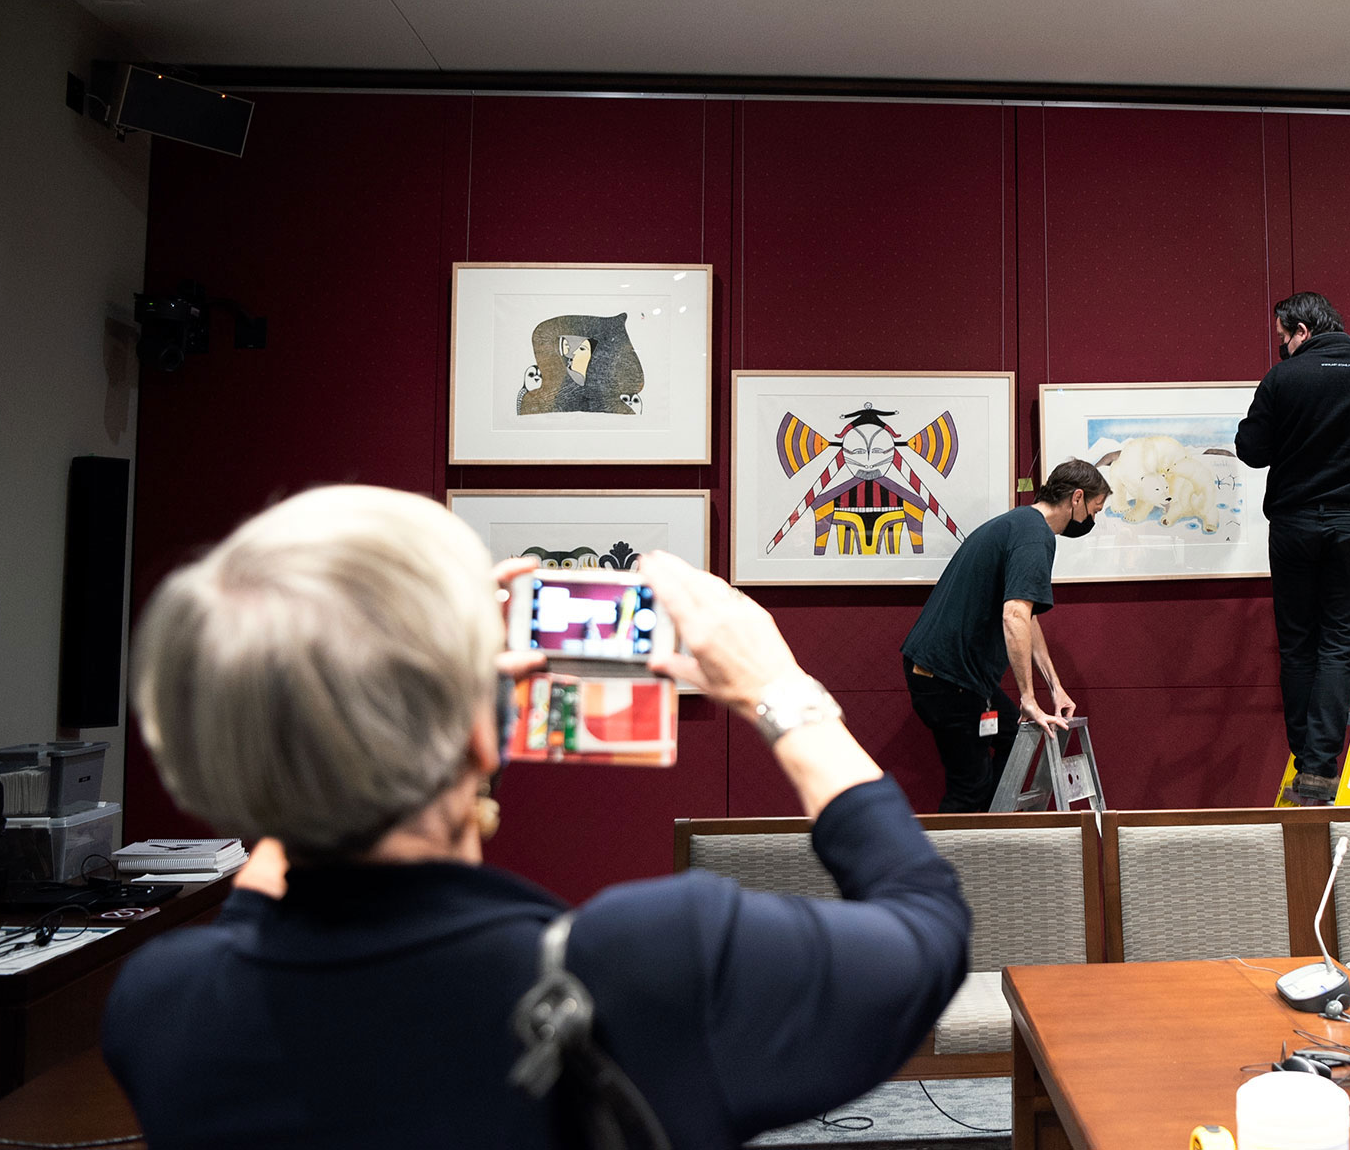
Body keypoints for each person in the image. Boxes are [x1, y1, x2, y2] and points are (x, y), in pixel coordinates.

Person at [102, 485, 969, 1150]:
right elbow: (927, 928)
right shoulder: (653, 961)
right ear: (485, 732)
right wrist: (782, 692)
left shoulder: (160, 1005)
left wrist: (430, 714)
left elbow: (297, 843)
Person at [1235, 293, 1350, 806]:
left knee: (1298, 643)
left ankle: (1307, 761)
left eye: (1283, 336)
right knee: (1340, 645)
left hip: (1295, 525)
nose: (1281, 346)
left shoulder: (1283, 379)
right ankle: (1323, 768)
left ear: (1302, 330)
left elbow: (1250, 450)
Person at [899, 459, 1110, 812]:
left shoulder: (1022, 524)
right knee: (969, 789)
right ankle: (954, 861)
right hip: (945, 678)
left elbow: (1026, 615)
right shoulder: (1034, 534)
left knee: (1013, 740)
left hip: (963, 677)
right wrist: (1028, 696)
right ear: (1077, 498)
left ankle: (991, 827)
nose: (1092, 519)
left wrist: (1054, 687)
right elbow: (1013, 615)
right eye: (1095, 509)